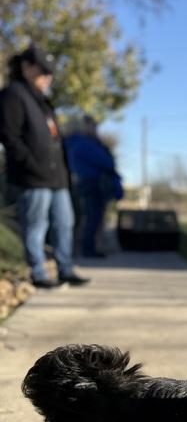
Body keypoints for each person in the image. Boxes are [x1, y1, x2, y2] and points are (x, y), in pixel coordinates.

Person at [0, 44, 89, 287]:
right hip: (33, 177)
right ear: (26, 67)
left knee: (64, 223)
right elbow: (9, 136)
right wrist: (29, 164)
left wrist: (65, 173)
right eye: (43, 71)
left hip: (56, 177)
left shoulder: (43, 102)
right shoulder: (13, 95)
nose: (48, 77)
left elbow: (54, 140)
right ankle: (38, 272)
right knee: (36, 225)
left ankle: (65, 268)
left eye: (50, 73)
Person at [65, 115, 124, 257]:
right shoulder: (83, 144)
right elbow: (106, 162)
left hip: (87, 182)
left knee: (92, 217)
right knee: (92, 217)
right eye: (91, 126)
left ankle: (89, 246)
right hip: (91, 183)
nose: (94, 129)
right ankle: (88, 248)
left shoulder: (80, 143)